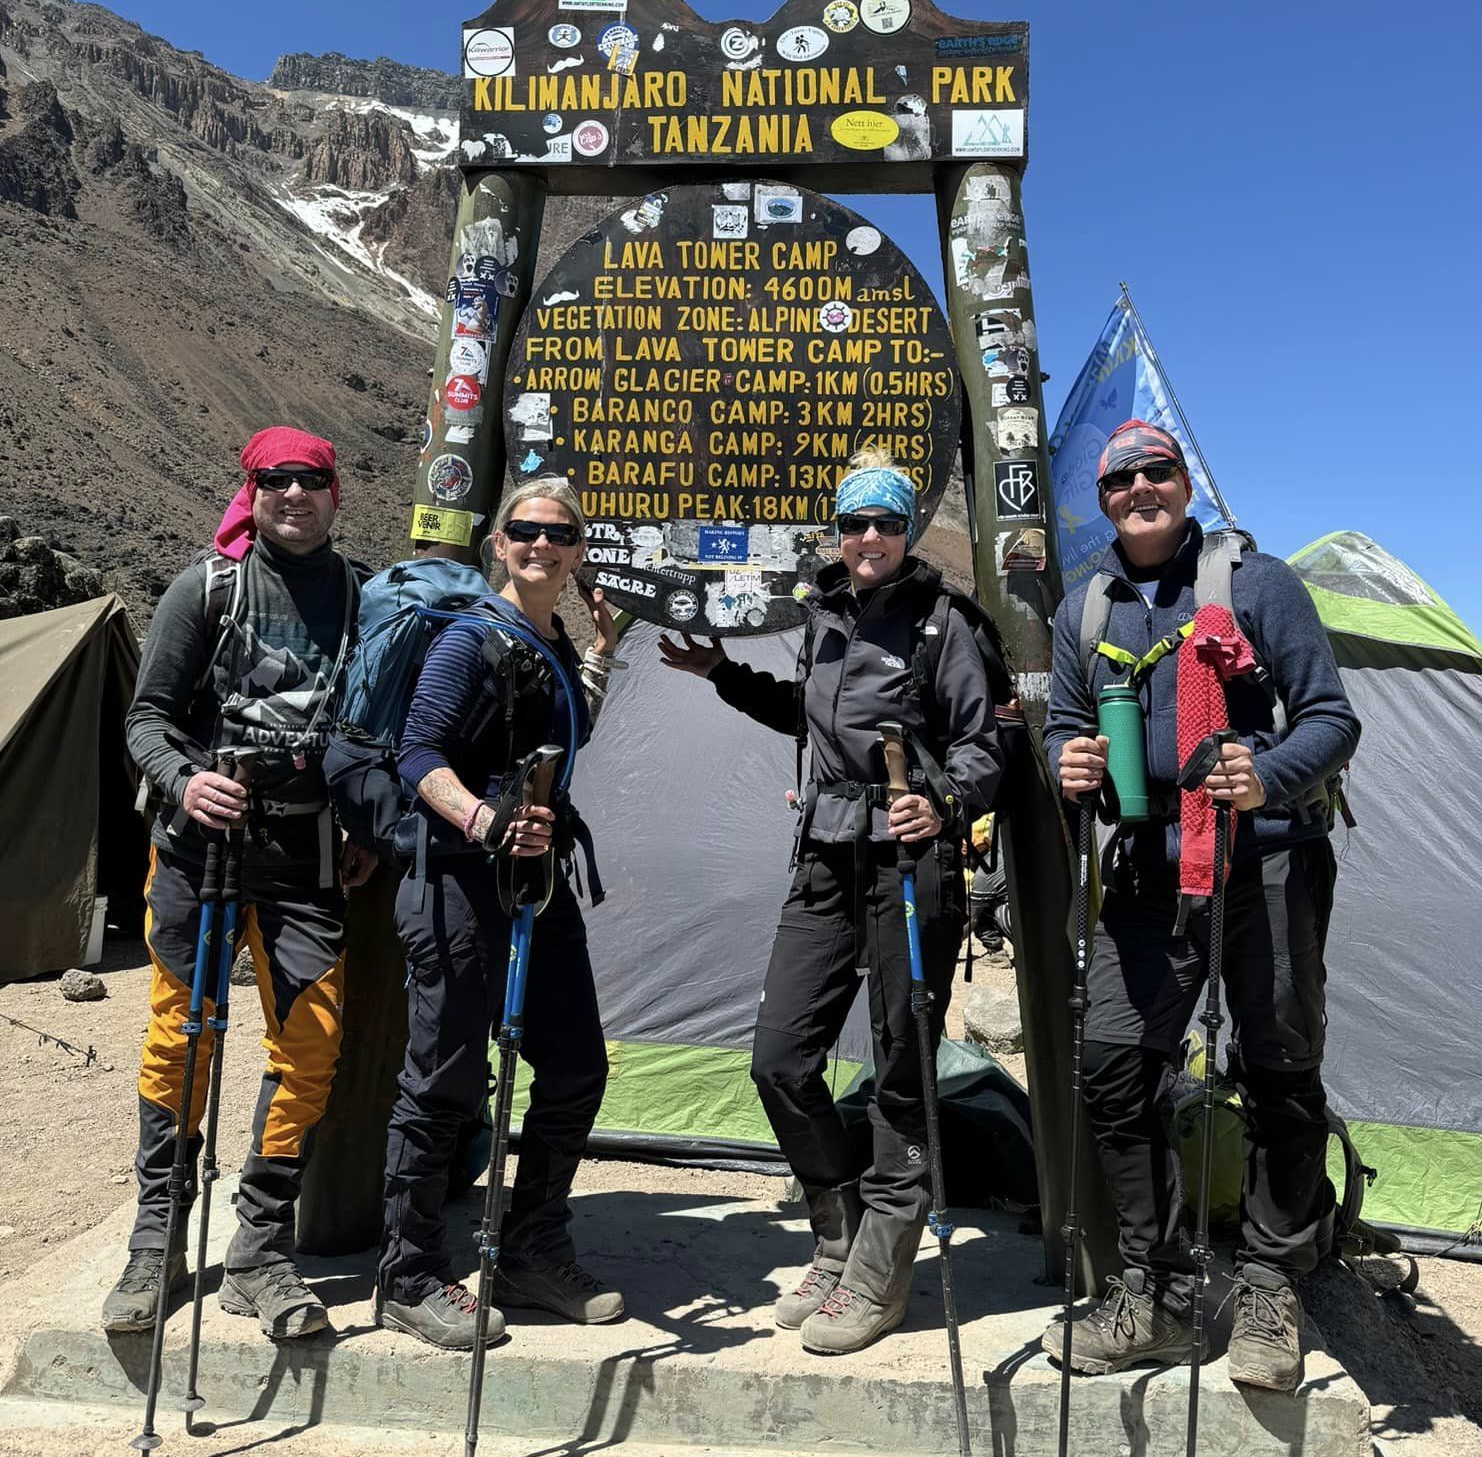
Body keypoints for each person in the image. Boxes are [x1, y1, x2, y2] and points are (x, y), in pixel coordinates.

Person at [1042, 420, 1360, 1393]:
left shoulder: (1256, 584)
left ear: (1185, 483)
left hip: (1264, 862)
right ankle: (1161, 1291)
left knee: (1278, 1068)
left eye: (1158, 470)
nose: (1140, 486)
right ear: (1102, 499)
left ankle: (1269, 1284)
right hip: (1147, 864)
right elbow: (1065, 720)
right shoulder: (1085, 604)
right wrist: (1071, 763)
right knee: (1112, 1067)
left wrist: (1263, 776)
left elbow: (1331, 720)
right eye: (1121, 477)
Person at [661, 451, 1004, 1355]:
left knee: (900, 1066)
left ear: (908, 532)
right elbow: (808, 717)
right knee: (779, 1058)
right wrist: (722, 675)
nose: (868, 540)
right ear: (839, 531)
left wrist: (946, 801)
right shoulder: (824, 614)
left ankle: (883, 1274)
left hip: (908, 863)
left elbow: (983, 744)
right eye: (855, 524)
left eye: (885, 524)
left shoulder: (941, 626)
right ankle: (837, 1230)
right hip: (823, 855)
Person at [104, 427, 373, 1341]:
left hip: (304, 856)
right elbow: (145, 719)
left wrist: (365, 823)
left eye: (310, 482)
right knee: (182, 1035)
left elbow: (366, 728)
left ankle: (259, 1248)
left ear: (337, 494)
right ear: (250, 494)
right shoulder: (204, 587)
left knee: (313, 1042)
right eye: (274, 482)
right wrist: (185, 780)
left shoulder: (360, 595)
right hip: (196, 848)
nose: (293, 495)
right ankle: (157, 1240)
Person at [375, 477, 621, 1351]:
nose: (541, 544)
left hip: (537, 881)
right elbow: (417, 751)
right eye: (525, 530)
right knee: (443, 1076)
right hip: (457, 879)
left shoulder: (548, 636)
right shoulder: (468, 638)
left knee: (576, 1066)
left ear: (579, 548)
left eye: (559, 533)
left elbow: (561, 734)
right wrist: (485, 820)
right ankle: (407, 1274)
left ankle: (529, 1250)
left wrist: (598, 652)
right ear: (499, 544)